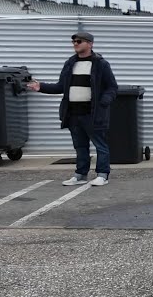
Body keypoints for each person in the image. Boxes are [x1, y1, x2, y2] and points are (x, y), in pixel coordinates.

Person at [26, 31, 119, 186]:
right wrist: (40, 87)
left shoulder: (100, 64)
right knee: (80, 146)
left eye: (79, 41)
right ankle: (80, 175)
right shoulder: (70, 63)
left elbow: (112, 87)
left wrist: (104, 102)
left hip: (93, 114)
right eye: (74, 41)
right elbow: (61, 86)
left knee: (100, 145)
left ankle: (103, 174)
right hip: (74, 114)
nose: (75, 44)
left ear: (90, 44)